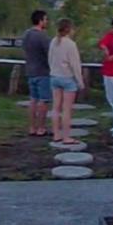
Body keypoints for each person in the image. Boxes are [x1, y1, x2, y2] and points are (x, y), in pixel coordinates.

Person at [48, 17, 86, 145]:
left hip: (54, 76)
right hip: (67, 78)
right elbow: (75, 65)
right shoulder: (70, 44)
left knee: (55, 107)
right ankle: (66, 137)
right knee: (66, 109)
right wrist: (80, 81)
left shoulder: (54, 41)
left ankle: (56, 134)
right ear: (69, 29)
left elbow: (50, 59)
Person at [21, 10, 52, 137]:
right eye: (45, 19)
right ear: (40, 21)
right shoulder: (42, 36)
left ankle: (32, 128)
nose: (47, 22)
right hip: (43, 72)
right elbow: (50, 53)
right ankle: (41, 128)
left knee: (33, 100)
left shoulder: (26, 34)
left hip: (30, 70)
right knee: (43, 101)